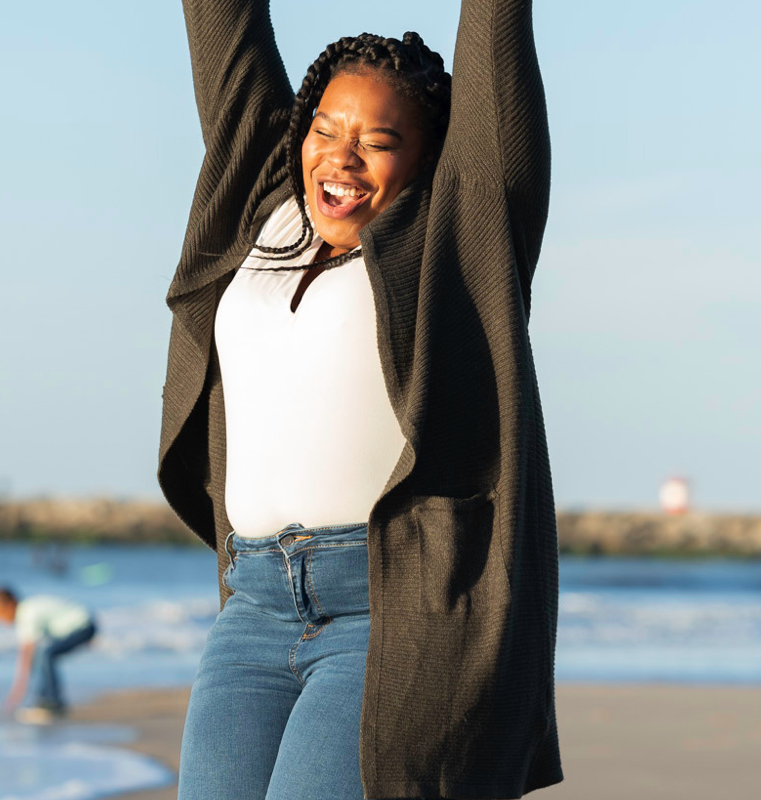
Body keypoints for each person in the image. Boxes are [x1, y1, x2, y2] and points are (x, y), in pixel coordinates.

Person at [160, 0, 558, 797]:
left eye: (377, 142)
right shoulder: (263, 209)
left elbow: (494, 51)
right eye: (325, 130)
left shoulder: (455, 238)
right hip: (254, 606)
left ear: (428, 160)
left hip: (387, 613)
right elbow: (223, 26)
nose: (341, 159)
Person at [0, 586, 97, 724]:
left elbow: (26, 656)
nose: (1, 621)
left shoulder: (26, 614)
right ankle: (45, 699)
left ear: (10, 604)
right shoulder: (27, 609)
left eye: (0, 614)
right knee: (45, 656)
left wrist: (17, 691)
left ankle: (53, 702)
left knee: (47, 655)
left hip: (83, 626)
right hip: (84, 623)